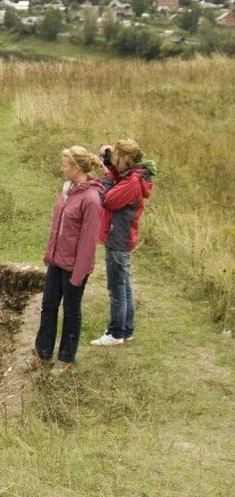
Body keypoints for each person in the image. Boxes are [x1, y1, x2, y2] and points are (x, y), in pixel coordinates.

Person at [33, 146, 104, 374]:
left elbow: (88, 242)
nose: (61, 168)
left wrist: (79, 274)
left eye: (64, 164)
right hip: (56, 261)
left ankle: (66, 359)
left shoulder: (91, 199)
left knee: (71, 311)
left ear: (76, 168)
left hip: (74, 267)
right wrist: (49, 254)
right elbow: (58, 227)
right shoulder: (68, 191)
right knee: (48, 306)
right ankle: (42, 353)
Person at [90, 139, 157, 347]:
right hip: (122, 237)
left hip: (118, 239)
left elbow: (107, 199)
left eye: (117, 157)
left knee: (117, 289)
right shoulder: (133, 176)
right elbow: (117, 182)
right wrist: (109, 164)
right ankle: (126, 330)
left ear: (125, 159)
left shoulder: (132, 183)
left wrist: (108, 176)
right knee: (125, 286)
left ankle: (116, 333)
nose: (114, 160)